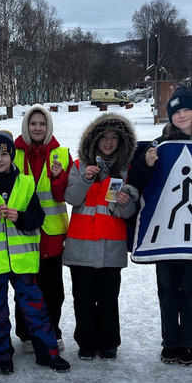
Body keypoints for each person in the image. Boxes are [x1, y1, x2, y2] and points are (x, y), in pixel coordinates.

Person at [128, 87, 192, 367]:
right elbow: (139, 182)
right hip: (166, 235)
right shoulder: (159, 145)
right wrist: (145, 164)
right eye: (176, 111)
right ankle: (170, 341)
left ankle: (187, 343)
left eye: (187, 109)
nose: (182, 115)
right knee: (168, 290)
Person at [0, 131, 71, 374]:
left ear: (11, 157)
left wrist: (21, 218)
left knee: (35, 308)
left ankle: (48, 353)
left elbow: (38, 217)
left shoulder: (26, 182)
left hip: (24, 261)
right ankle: (2, 356)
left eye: (4, 154)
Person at [63, 114, 139, 361]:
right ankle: (85, 342)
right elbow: (71, 198)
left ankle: (108, 343)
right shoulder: (78, 166)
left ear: (121, 141)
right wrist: (85, 180)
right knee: (83, 299)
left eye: (114, 137)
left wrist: (125, 202)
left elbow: (129, 212)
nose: (108, 142)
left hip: (111, 247)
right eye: (103, 137)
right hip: (81, 246)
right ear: (93, 140)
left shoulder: (126, 171)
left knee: (108, 300)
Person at [13, 104, 71, 353]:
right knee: (25, 286)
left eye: (42, 123)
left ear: (48, 127)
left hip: (51, 233)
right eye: (33, 123)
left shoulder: (62, 154)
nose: (37, 128)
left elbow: (63, 195)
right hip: (22, 232)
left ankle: (52, 331)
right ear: (26, 126)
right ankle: (26, 334)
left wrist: (59, 177)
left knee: (52, 289)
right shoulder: (12, 153)